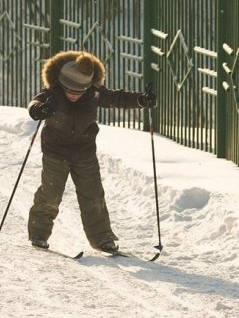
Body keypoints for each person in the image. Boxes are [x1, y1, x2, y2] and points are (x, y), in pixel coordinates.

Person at [26, 50, 156, 253]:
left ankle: (102, 239)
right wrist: (38, 110)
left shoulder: (93, 94)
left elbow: (117, 98)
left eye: (80, 92)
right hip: (55, 152)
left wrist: (141, 100)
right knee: (51, 194)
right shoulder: (52, 94)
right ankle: (39, 234)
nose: (75, 95)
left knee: (93, 195)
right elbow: (35, 103)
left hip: (84, 151)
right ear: (61, 84)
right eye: (71, 91)